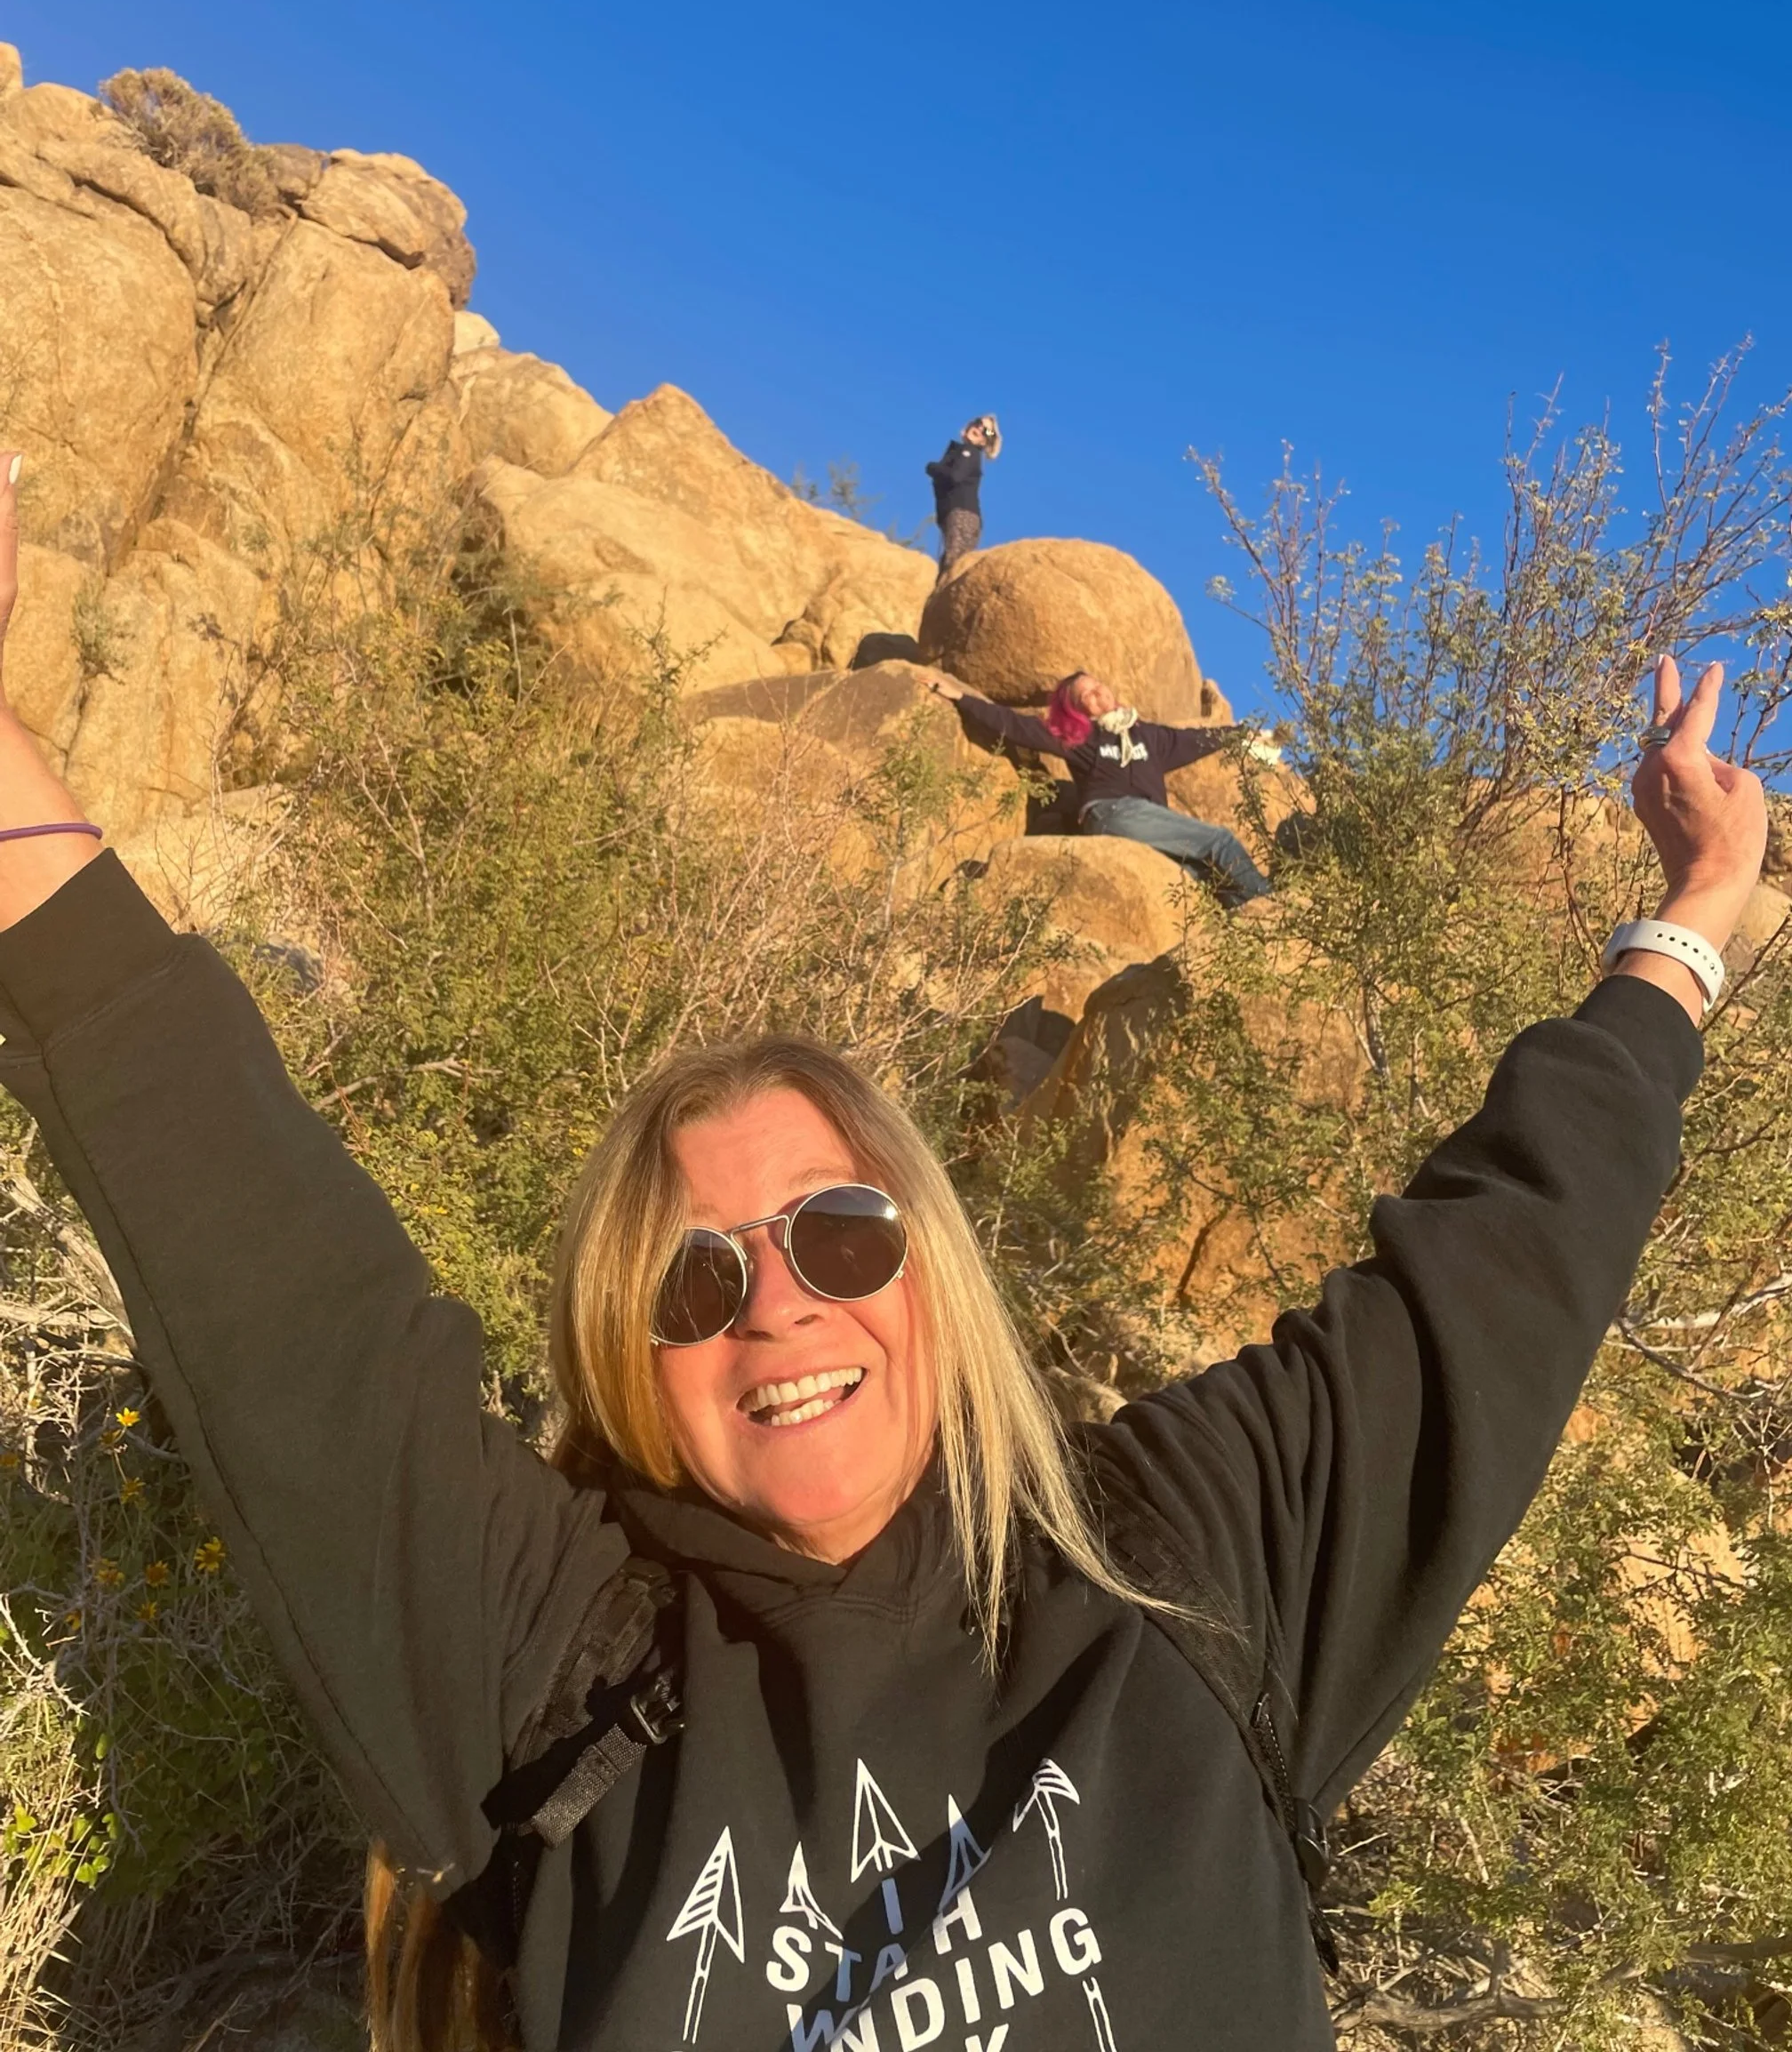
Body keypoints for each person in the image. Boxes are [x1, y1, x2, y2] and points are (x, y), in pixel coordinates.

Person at [0, 440, 1765, 2052]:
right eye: (696, 1279)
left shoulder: (1184, 1573)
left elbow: (1496, 1272)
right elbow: (276, 1286)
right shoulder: (546, 1670)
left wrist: (1686, 931)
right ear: (628, 1353)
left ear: (932, 1264)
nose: (776, 1304)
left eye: (838, 1235)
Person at [929, 664, 1281, 905]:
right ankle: (1275, 910)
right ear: (1080, 710)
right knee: (1218, 841)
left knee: (1203, 879)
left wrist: (1246, 736)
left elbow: (1199, 739)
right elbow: (1017, 725)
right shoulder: (1081, 738)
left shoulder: (1150, 737)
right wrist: (962, 698)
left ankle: (1249, 921)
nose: (1099, 695)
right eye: (1087, 696)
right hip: (1112, 813)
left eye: (1098, 687)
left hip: (1147, 825)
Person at [926, 413, 1000, 576]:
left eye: (987, 432)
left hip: (961, 516)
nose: (980, 428)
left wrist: (933, 468)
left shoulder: (970, 451)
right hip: (965, 519)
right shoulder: (961, 453)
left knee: (952, 567)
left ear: (985, 441)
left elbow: (955, 476)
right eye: (978, 422)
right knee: (952, 567)